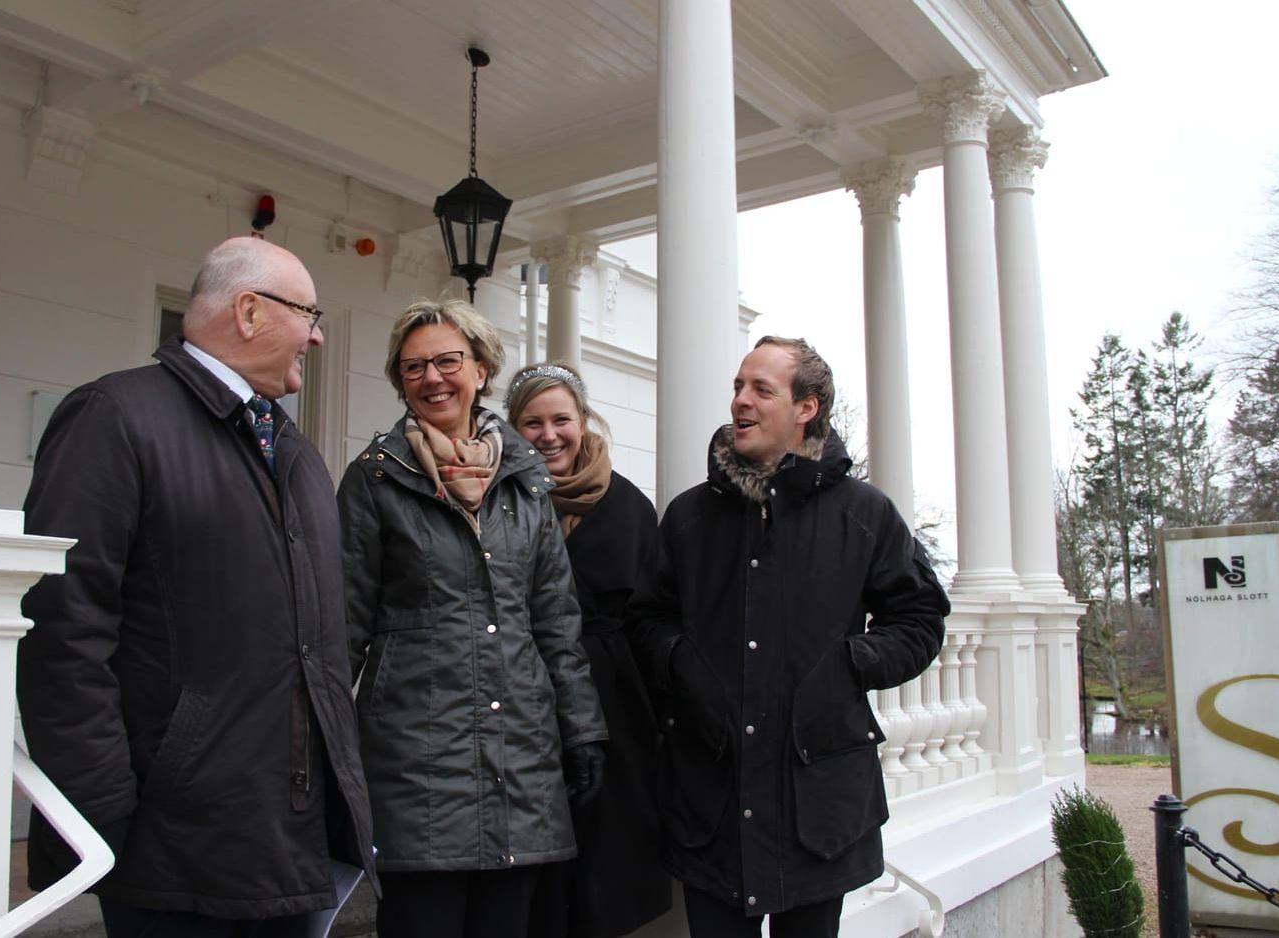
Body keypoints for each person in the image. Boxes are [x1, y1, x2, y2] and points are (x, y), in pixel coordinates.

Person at [15, 237, 376, 937]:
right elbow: (64, 629)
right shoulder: (115, 416)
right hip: (171, 845)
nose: (318, 334)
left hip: (289, 836)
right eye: (308, 312)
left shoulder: (293, 453)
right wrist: (105, 813)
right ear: (249, 311)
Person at [628, 336, 950, 938]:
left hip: (817, 803)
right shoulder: (689, 516)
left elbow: (920, 620)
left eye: (761, 389)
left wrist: (852, 664)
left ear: (808, 408)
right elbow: (647, 619)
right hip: (710, 799)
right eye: (737, 386)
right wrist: (681, 664)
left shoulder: (866, 514)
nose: (739, 401)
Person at [337, 299, 608, 938]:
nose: (432, 378)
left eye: (447, 361)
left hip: (521, 758)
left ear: (481, 369)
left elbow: (555, 625)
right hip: (414, 761)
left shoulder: (526, 482)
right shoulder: (375, 481)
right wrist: (322, 744)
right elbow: (341, 624)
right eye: (413, 369)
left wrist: (583, 731)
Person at [505, 363, 672, 938]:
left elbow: (651, 613)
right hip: (521, 699)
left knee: (605, 863)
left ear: (583, 421)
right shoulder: (500, 497)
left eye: (561, 419)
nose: (549, 435)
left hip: (614, 707)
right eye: (532, 422)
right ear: (513, 427)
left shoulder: (628, 506)